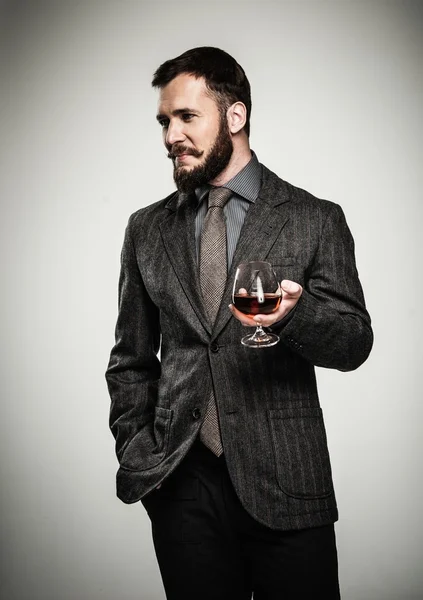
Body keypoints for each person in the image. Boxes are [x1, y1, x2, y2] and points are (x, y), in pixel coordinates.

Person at [106, 46, 373, 600]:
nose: (170, 136)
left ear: (235, 116)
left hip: (288, 483)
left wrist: (294, 315)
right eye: (163, 121)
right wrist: (140, 451)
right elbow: (130, 359)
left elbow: (353, 341)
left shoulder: (313, 218)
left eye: (186, 117)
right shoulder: (146, 229)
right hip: (182, 485)